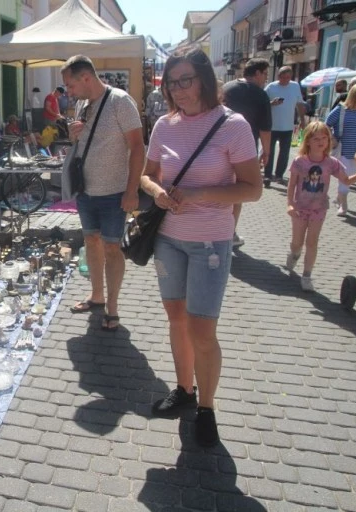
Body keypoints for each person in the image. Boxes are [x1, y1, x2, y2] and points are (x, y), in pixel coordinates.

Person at [140, 46, 262, 447]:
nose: (178, 90)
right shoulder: (163, 125)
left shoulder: (233, 125)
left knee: (202, 330)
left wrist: (199, 192)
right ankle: (184, 391)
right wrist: (157, 192)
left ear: (205, 80)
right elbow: (147, 176)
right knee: (176, 319)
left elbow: (253, 189)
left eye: (185, 80)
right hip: (168, 241)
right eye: (171, 83)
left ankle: (207, 408)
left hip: (210, 241)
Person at [62, 55, 145, 331]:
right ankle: (96, 295)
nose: (69, 92)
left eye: (70, 86)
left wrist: (132, 190)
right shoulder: (82, 104)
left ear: (85, 78)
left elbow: (138, 147)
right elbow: (84, 142)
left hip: (114, 192)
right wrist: (74, 134)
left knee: (112, 247)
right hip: (86, 190)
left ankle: (113, 306)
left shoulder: (120, 101)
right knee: (91, 242)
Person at [286, 121, 356, 291]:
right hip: (300, 207)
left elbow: (346, 180)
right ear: (307, 141)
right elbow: (291, 185)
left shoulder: (331, 163)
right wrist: (290, 205)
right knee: (297, 242)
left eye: (324, 138)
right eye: (316, 138)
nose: (321, 141)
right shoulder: (299, 162)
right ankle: (294, 254)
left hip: (319, 208)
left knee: (312, 242)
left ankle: (307, 275)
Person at [222, 57, 272, 248]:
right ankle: (229, 233)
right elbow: (265, 129)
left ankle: (218, 230)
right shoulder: (260, 94)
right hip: (244, 151)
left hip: (217, 146)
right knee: (237, 193)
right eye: (265, 74)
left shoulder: (226, 88)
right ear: (257, 73)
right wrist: (266, 152)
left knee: (221, 187)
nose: (265, 78)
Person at [325, 83, 356, 216]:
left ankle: (340, 197)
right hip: (345, 150)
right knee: (346, 177)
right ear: (355, 96)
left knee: (350, 177)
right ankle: (343, 204)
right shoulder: (342, 110)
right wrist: (331, 138)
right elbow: (326, 124)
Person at [264, 66, 306, 187]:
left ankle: (279, 175)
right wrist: (272, 103)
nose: (285, 80)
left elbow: (299, 103)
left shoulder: (295, 86)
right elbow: (263, 103)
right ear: (278, 77)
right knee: (269, 152)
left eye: (288, 77)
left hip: (287, 126)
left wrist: (302, 120)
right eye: (283, 77)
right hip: (272, 126)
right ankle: (267, 175)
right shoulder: (271, 87)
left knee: (284, 153)